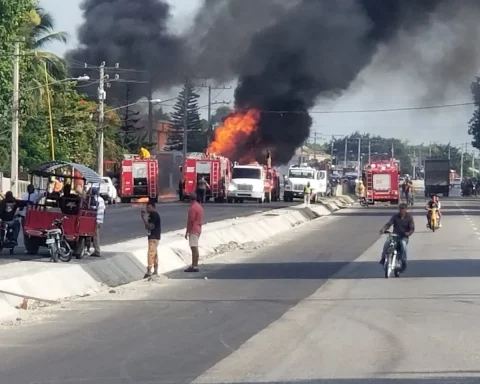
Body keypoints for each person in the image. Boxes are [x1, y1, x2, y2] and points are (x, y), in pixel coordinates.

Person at [379, 203, 415, 269]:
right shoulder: (395, 216)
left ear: (406, 209)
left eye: (403, 209)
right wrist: (383, 229)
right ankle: (383, 258)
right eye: (400, 209)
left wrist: (408, 233)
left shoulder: (409, 217)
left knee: (403, 244)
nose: (401, 211)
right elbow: (389, 224)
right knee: (387, 243)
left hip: (404, 236)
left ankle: (403, 261)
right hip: (395, 235)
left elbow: (412, 228)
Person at [141, 202, 161, 278]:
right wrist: (143, 218)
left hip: (154, 236)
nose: (147, 209)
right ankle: (155, 270)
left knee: (150, 253)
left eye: (149, 208)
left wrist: (144, 219)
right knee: (154, 253)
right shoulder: (151, 215)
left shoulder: (154, 215)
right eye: (147, 208)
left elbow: (151, 226)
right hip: (153, 236)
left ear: (153, 207)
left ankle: (149, 270)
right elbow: (147, 226)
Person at [185, 192, 203, 273]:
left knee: (194, 248)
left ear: (190, 199)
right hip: (198, 228)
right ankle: (194, 265)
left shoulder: (192, 208)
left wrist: (187, 231)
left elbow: (190, 220)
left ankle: (194, 266)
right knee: (195, 248)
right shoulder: (199, 207)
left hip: (193, 229)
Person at [89, 187, 105, 257]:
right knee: (95, 235)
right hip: (100, 220)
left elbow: (92, 210)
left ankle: (97, 251)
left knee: (95, 236)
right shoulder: (101, 199)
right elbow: (104, 210)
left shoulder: (94, 200)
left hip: (96, 220)